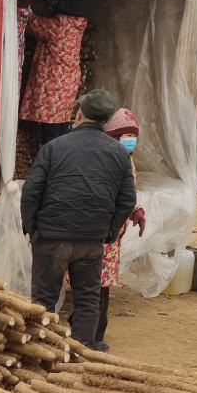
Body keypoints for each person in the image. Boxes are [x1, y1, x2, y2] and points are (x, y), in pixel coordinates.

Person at [21, 89, 137, 347]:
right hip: (90, 241)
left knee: (43, 300)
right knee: (87, 299)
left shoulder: (53, 147)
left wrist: (32, 229)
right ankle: (82, 353)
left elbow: (31, 191)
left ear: (80, 113)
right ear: (105, 120)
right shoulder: (119, 155)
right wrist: (108, 230)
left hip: (51, 239)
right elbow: (127, 199)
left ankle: (42, 352)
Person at [95, 107, 146, 350]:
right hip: (101, 228)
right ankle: (93, 335)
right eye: (126, 137)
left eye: (133, 137)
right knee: (96, 284)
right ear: (113, 136)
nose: (131, 142)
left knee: (101, 283)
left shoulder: (127, 160)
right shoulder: (107, 159)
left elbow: (127, 194)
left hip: (112, 232)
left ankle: (90, 330)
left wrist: (135, 209)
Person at [19, 6, 88, 146]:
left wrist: (26, 6)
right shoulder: (77, 25)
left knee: (51, 131)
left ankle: (52, 163)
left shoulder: (59, 26)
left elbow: (31, 23)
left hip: (54, 85)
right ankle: (62, 161)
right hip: (68, 84)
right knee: (62, 125)